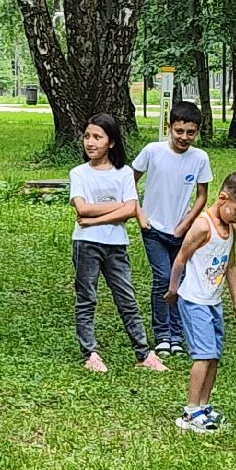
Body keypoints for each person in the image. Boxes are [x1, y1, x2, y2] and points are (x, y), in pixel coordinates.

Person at [71, 113, 169, 374]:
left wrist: (93, 219)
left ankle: (143, 353)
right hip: (85, 245)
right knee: (86, 299)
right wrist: (121, 206)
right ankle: (89, 352)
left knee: (127, 299)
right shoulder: (78, 173)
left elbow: (129, 211)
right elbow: (82, 206)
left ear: (111, 142)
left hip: (116, 245)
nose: (90, 143)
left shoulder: (124, 173)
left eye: (97, 137)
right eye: (87, 137)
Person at [164, 171, 236, 431]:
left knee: (214, 356)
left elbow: (231, 266)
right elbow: (181, 258)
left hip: (213, 302)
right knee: (203, 356)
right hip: (194, 300)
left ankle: (204, 405)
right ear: (222, 198)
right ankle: (190, 411)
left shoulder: (230, 231)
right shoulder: (202, 226)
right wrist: (173, 290)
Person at [131, 101, 213, 357]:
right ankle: (162, 334)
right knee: (162, 278)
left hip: (182, 232)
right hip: (153, 229)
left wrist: (187, 223)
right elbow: (129, 182)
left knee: (181, 281)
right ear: (169, 127)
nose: (184, 137)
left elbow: (202, 195)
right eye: (179, 131)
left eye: (190, 132)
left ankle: (177, 334)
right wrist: (140, 215)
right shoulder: (152, 151)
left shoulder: (200, 158)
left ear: (197, 132)